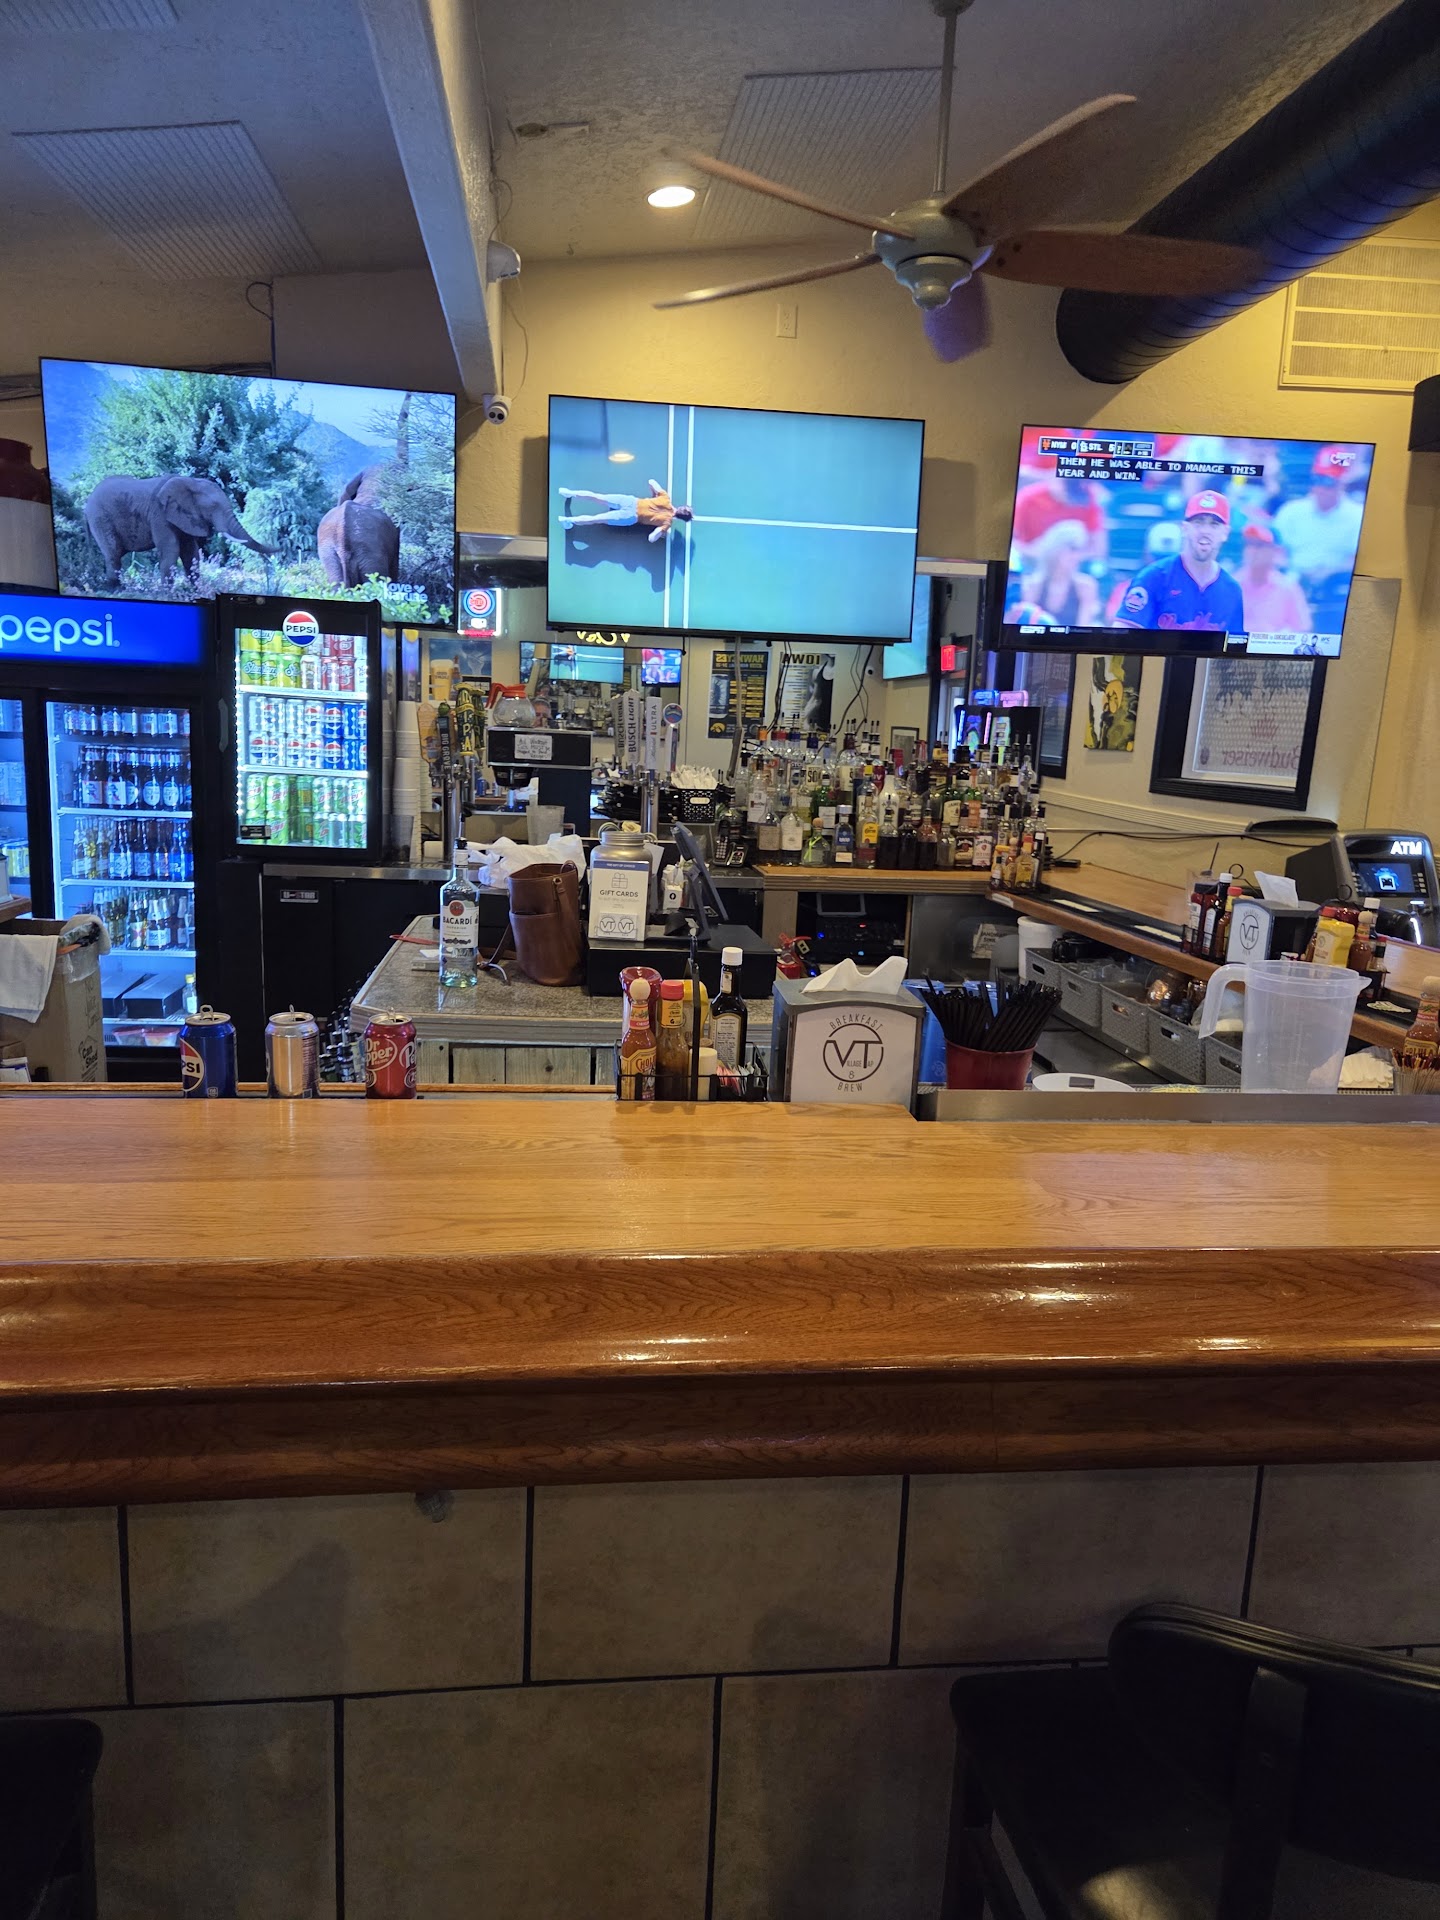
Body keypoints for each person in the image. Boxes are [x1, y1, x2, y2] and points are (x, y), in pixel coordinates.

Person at [1115, 490, 1244, 637]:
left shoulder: (1231, 590)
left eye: (1214, 524)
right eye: (1198, 523)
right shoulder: (1154, 577)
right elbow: (1121, 634)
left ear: (1225, 533)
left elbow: (1234, 643)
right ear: (1185, 528)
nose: (1205, 531)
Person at [1273, 445, 1365, 624]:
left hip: (1335, 592)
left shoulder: (1358, 515)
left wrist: (1328, 573)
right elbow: (1276, 551)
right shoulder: (1290, 511)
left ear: (1342, 483)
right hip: (1292, 584)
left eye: (1329, 482)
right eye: (1318, 479)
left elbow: (1356, 560)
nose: (1322, 487)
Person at [1011, 467, 1108, 564]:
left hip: (1071, 565)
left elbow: (1098, 549)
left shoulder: (1088, 498)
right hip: (1032, 560)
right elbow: (1011, 543)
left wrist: (1071, 558)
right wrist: (1041, 556)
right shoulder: (1028, 499)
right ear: (1059, 482)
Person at [1237, 524, 1312, 641]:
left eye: (1259, 545)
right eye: (1248, 544)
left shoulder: (1288, 588)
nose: (1252, 550)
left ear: (1276, 551)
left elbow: (1302, 631)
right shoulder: (1232, 585)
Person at [1019, 520, 1101, 627]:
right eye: (1073, 549)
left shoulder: (1086, 587)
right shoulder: (1032, 586)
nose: (1077, 556)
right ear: (1055, 548)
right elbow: (1026, 626)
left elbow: (1083, 629)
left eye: (1080, 550)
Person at [559, 478, 693, 543]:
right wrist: (661, 534)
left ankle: (569, 493)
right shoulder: (666, 523)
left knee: (597, 497)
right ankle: (568, 520)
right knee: (597, 519)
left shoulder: (665, 498)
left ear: (681, 507)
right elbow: (651, 538)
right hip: (630, 516)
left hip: (630, 501)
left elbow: (651, 481)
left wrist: (654, 496)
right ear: (680, 519)